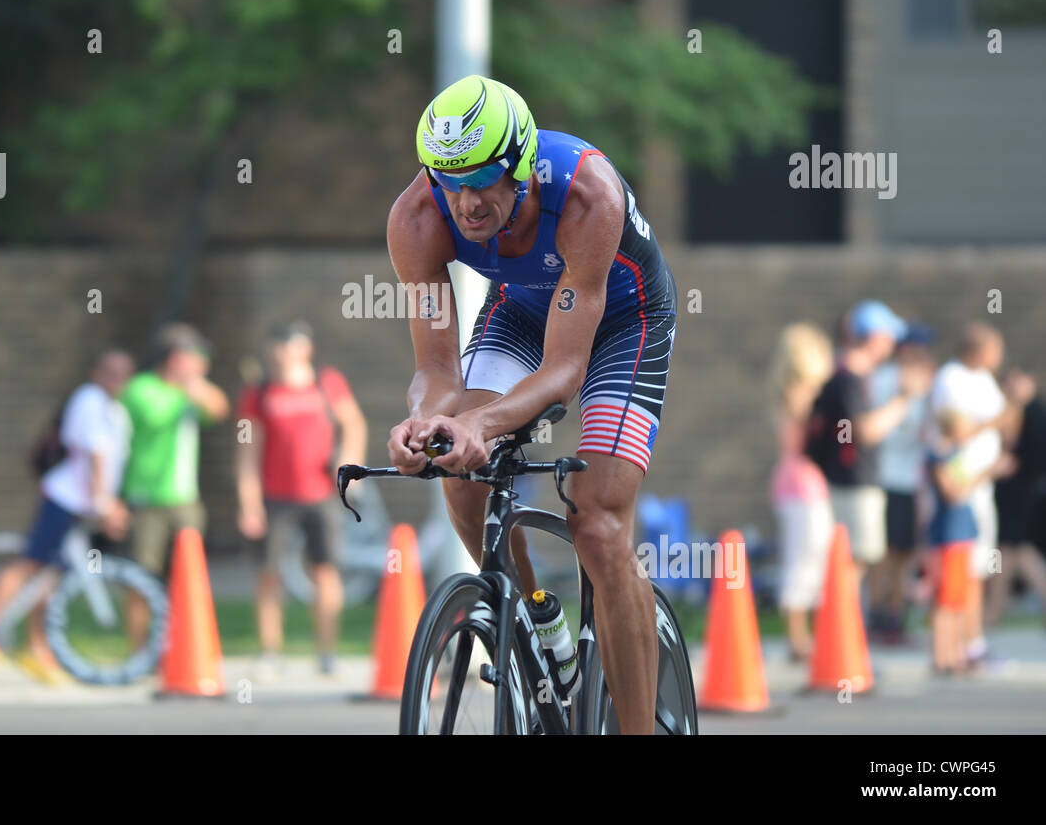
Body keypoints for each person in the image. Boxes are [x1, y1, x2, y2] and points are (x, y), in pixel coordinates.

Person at [385, 75, 677, 734]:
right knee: (461, 482)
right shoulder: (417, 219)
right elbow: (434, 366)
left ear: (519, 162)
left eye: (483, 177)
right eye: (447, 178)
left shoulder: (585, 193)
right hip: (519, 310)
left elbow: (565, 369)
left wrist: (478, 422)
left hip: (623, 323)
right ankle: (534, 625)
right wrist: (428, 419)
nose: (465, 201)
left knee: (599, 524)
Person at [0, 349, 135, 683]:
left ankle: (38, 647)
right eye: (109, 371)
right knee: (31, 562)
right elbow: (97, 456)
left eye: (122, 373)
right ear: (96, 372)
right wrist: (103, 504)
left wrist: (108, 502)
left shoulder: (116, 412)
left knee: (52, 578)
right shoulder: (89, 400)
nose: (116, 379)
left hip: (80, 506)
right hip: (64, 499)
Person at [235, 321, 367, 675]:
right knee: (268, 573)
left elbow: (353, 423)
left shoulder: (327, 382)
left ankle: (326, 653)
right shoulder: (260, 392)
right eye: (278, 345)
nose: (283, 352)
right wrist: (248, 503)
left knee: (325, 571)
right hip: (275, 497)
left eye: (291, 344)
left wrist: (349, 467)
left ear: (305, 348)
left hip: (320, 494)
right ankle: (270, 652)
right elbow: (248, 451)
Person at [804, 301, 929, 597]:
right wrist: (905, 399)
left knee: (858, 559)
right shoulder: (849, 379)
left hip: (851, 480)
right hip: (852, 481)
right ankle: (838, 631)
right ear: (873, 337)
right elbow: (864, 431)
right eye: (887, 336)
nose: (892, 344)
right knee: (855, 560)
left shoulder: (851, 376)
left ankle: (842, 628)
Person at [115, 324, 228, 648]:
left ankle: (181, 647)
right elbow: (155, 417)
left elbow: (219, 408)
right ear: (176, 358)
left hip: (185, 500)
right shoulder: (141, 388)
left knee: (186, 577)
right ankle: (140, 648)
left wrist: (197, 389)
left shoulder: (190, 391)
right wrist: (187, 389)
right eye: (196, 359)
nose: (202, 368)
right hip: (146, 499)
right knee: (141, 579)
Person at [927, 323, 1030, 664]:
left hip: (976, 503)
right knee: (952, 591)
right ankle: (950, 654)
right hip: (956, 516)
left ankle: (967, 646)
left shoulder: (987, 381)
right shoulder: (951, 379)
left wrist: (1015, 404)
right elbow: (955, 484)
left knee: (973, 576)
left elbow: (1007, 426)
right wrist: (988, 465)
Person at [926, 409, 1017, 674]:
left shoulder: (954, 455)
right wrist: (987, 473)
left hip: (962, 534)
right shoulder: (940, 455)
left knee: (959, 597)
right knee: (947, 599)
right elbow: (954, 493)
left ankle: (956, 653)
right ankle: (944, 656)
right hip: (950, 535)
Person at [766, 322, 835, 661]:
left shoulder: (791, 394)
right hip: (800, 485)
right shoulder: (799, 396)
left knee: (812, 559)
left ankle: (807, 635)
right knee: (802, 560)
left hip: (803, 483)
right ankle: (798, 638)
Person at [868, 323, 937, 644]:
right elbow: (880, 431)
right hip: (886, 478)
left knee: (904, 553)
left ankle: (895, 617)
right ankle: (876, 614)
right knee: (883, 552)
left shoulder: (925, 386)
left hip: (911, 482)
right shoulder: (883, 380)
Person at [988, 369, 1046, 626]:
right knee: (1006, 551)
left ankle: (992, 606)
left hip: (1019, 493)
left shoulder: (1034, 414)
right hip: (1011, 494)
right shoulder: (1021, 410)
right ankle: (993, 604)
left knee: (1008, 551)